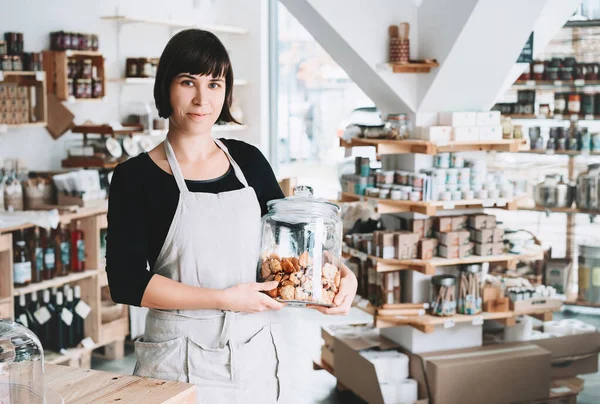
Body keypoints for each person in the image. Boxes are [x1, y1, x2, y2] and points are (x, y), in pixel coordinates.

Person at [105, 29, 358, 403]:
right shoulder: (135, 178)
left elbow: (289, 241)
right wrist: (223, 298)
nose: (201, 99)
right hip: (179, 362)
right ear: (165, 87)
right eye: (188, 81)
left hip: (259, 355)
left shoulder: (248, 161)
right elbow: (126, 283)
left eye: (214, 83)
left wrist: (337, 273)